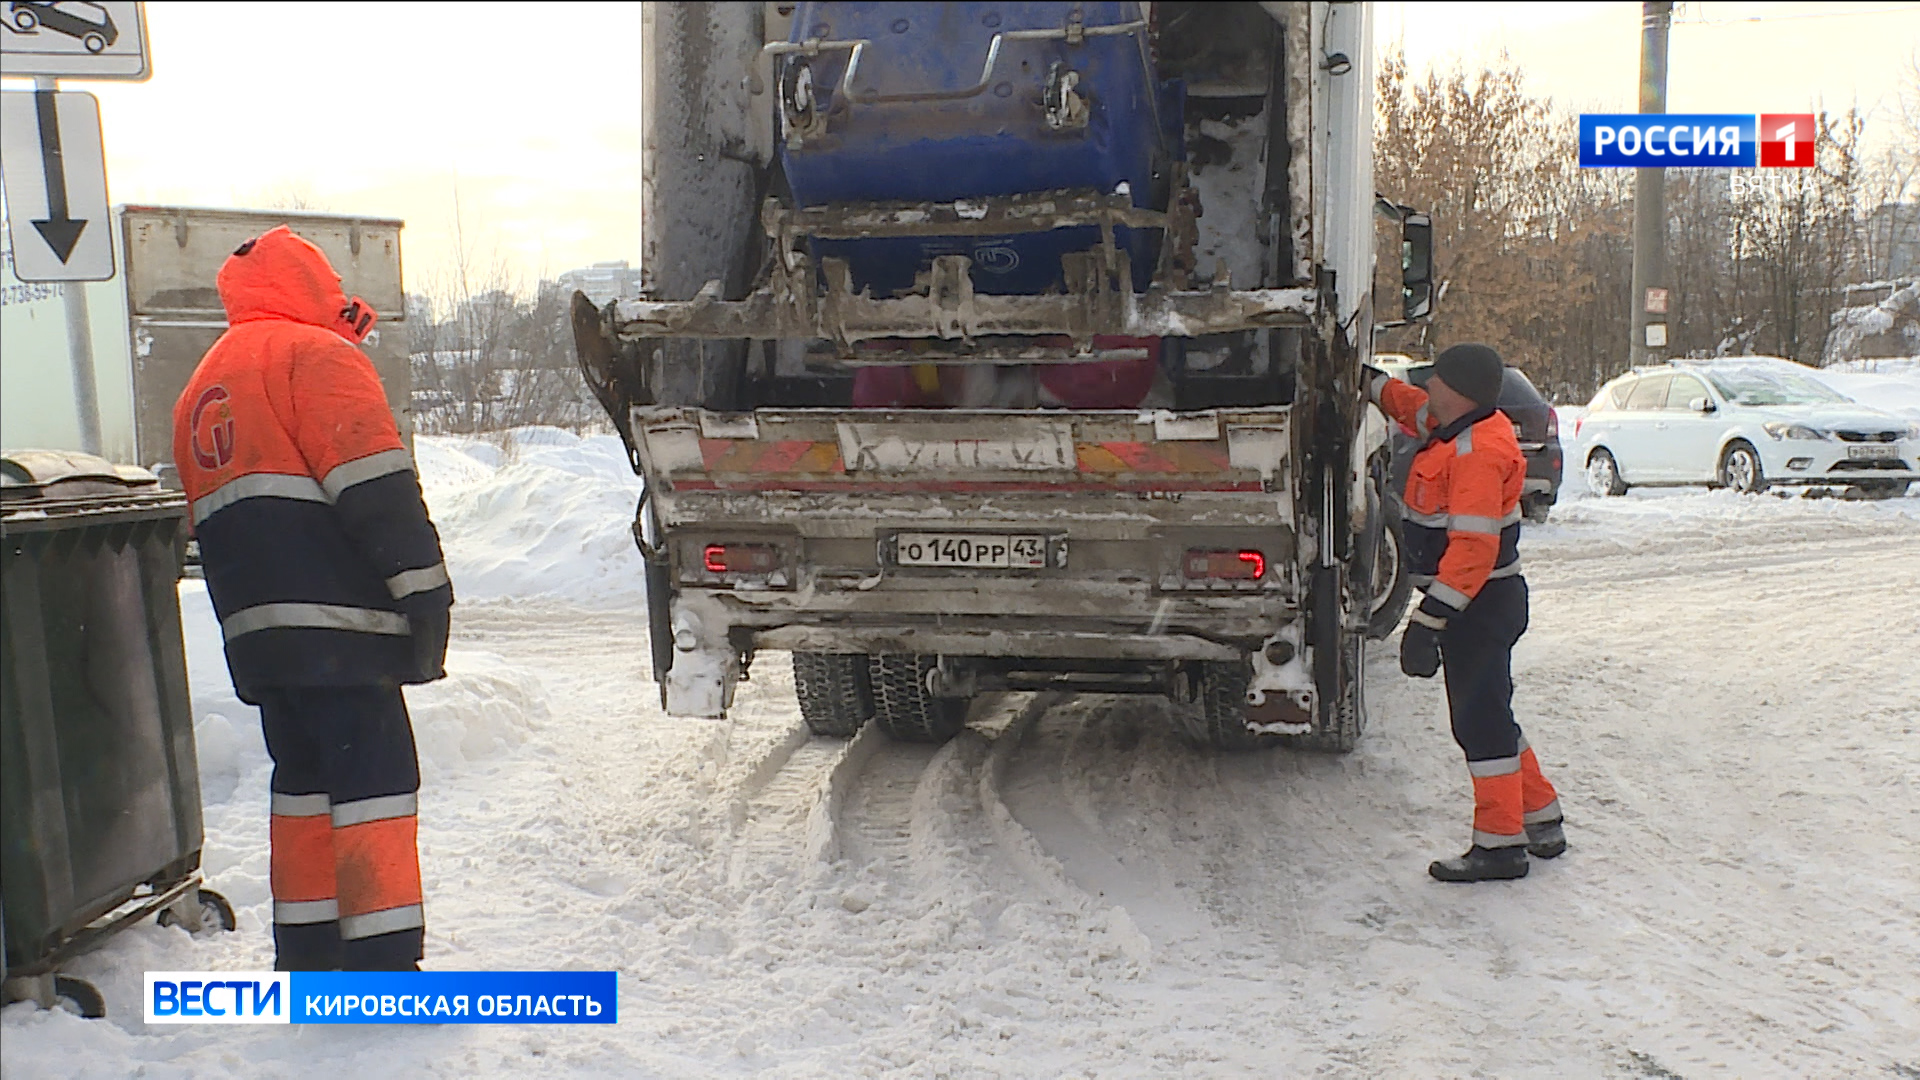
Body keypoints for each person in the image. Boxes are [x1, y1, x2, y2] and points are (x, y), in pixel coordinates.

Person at [173, 226, 452, 968]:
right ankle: (383, 967)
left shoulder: (204, 385)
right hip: (340, 630)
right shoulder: (314, 357)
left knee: (302, 787)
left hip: (261, 639)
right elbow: (376, 490)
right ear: (314, 287)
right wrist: (426, 593)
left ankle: (307, 951)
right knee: (375, 786)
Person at [1365, 344, 1565, 882]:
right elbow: (1410, 405)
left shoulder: (1477, 452)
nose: (1428, 387)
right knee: (1491, 713)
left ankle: (1500, 847)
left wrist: (1428, 622)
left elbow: (1472, 553)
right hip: (1483, 602)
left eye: (1438, 381)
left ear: (1459, 391)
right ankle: (1541, 819)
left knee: (1479, 723)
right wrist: (1367, 383)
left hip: (1478, 604)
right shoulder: (1457, 423)